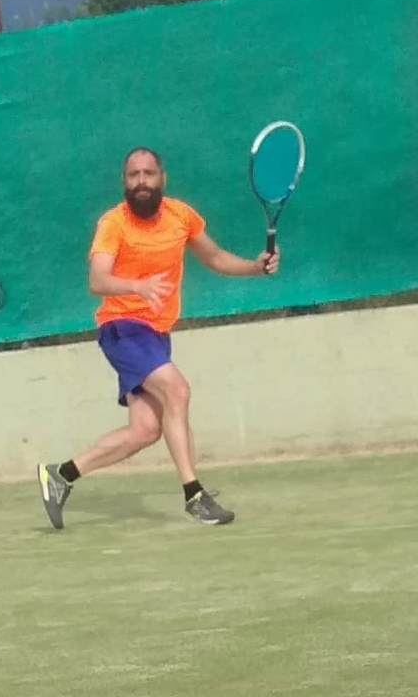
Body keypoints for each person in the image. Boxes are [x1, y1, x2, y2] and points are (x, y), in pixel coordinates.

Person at [37, 146, 279, 529]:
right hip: (122, 328)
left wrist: (255, 267)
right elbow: (97, 279)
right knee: (177, 390)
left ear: (162, 178)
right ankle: (194, 495)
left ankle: (61, 475)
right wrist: (137, 286)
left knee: (146, 430)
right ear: (124, 182)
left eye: (148, 174)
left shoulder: (181, 216)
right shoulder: (113, 223)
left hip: (156, 333)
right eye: (134, 175)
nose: (142, 182)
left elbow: (215, 257)